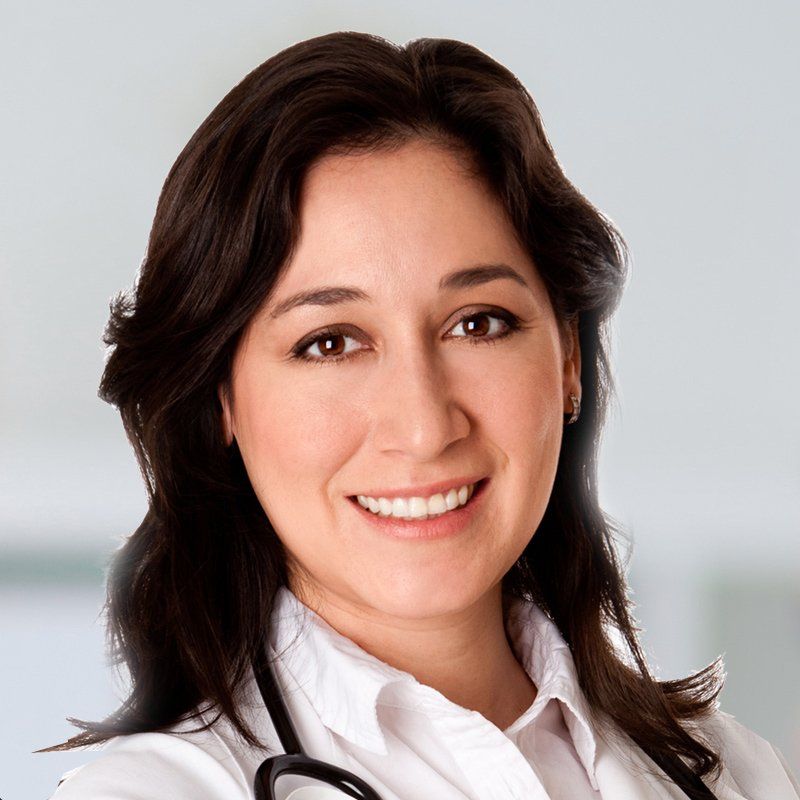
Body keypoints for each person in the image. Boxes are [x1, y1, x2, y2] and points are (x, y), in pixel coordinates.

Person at [44, 31, 798, 800]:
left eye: (478, 323)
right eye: (330, 342)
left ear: (568, 358)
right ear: (221, 399)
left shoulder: (738, 775)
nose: (424, 426)